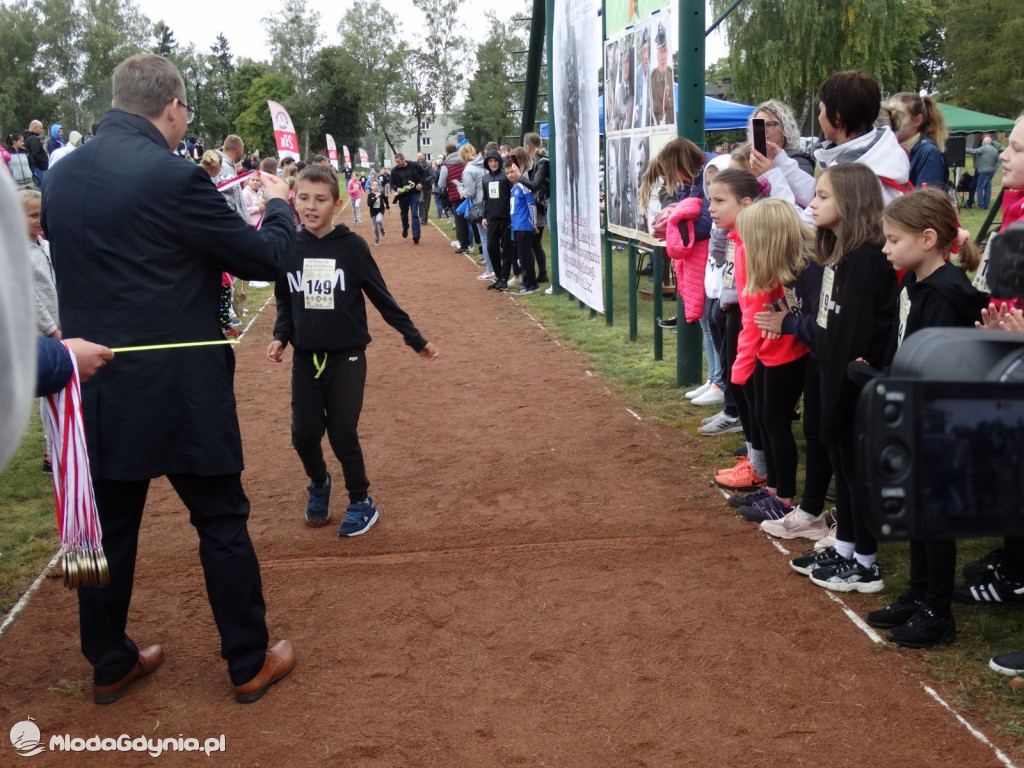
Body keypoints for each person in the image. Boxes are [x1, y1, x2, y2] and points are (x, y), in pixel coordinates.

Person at [41, 53, 296, 705]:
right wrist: (277, 206)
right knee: (220, 518)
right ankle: (247, 660)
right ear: (173, 106)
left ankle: (109, 661)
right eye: (185, 113)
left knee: (109, 529)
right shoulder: (174, 178)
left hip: (94, 386)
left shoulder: (61, 178)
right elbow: (265, 260)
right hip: (182, 390)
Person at [266, 164, 439, 537]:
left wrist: (414, 338)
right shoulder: (290, 247)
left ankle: (361, 501)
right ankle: (319, 482)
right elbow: (285, 299)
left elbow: (382, 297)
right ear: (294, 200)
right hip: (305, 357)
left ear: (338, 203)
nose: (311, 206)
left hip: (347, 356)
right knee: (304, 435)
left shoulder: (351, 247)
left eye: (320, 199)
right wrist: (281, 335)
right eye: (303, 198)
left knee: (343, 433)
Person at [856, 188, 987, 647]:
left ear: (928, 239)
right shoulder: (915, 283)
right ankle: (917, 594)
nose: (886, 248)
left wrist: (878, 379)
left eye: (893, 240)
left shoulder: (947, 295)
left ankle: (938, 611)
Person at [788, 163, 897, 594]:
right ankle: (846, 546)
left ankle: (866, 563)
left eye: (823, 196)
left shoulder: (868, 260)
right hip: (833, 377)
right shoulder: (838, 253)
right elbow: (828, 329)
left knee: (856, 472)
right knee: (843, 469)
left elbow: (856, 338)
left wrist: (836, 400)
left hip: (857, 388)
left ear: (850, 202)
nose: (812, 204)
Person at [727, 197, 812, 523]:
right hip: (770, 353)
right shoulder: (771, 266)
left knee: (775, 424)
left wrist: (740, 368)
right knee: (766, 419)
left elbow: (755, 320)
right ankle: (773, 488)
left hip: (785, 356)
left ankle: (784, 498)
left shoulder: (777, 269)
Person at [765, 71, 909, 225]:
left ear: (837, 118)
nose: (819, 117)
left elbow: (804, 226)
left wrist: (771, 176)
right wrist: (782, 161)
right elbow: (818, 195)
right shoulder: (879, 150)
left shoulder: (850, 172)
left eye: (822, 110)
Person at [888, 92, 949, 190]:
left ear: (917, 121)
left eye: (898, 116)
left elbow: (925, 202)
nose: (891, 122)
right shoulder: (891, 149)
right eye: (889, 115)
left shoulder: (929, 154)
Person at [505, 156, 540, 295]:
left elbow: (531, 205)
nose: (509, 175)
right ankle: (530, 282)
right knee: (522, 256)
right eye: (507, 173)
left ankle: (530, 284)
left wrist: (533, 224)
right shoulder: (513, 189)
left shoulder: (523, 186)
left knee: (525, 257)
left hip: (525, 226)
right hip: (517, 227)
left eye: (512, 172)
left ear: (518, 170)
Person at [481, 148, 513, 291]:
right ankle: (499, 276)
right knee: (491, 247)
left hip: (506, 218)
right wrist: (484, 216)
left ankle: (505, 278)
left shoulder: (505, 177)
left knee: (506, 249)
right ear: (487, 163)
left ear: (499, 162)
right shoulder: (485, 179)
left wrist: (512, 216)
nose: (493, 163)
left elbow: (512, 196)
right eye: (490, 161)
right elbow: (485, 199)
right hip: (492, 218)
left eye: (495, 161)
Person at [390, 153, 425, 244]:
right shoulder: (394, 171)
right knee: (404, 215)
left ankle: (416, 235)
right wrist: (397, 189)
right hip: (402, 196)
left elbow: (423, 174)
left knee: (414, 213)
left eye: (399, 162)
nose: (398, 164)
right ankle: (405, 227)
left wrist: (420, 183)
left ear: (403, 159)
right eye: (396, 162)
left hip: (414, 193)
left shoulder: (414, 166)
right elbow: (392, 183)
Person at [214, 135, 247, 221]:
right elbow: (229, 201)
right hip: (233, 222)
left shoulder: (224, 165)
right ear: (239, 151)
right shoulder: (225, 168)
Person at [966, 135, 1002, 210]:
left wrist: (963, 149)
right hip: (991, 171)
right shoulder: (995, 150)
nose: (982, 143)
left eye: (982, 142)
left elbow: (974, 151)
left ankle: (981, 205)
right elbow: (998, 161)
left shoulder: (983, 148)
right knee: (988, 188)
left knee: (979, 188)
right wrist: (995, 168)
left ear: (985, 142)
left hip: (983, 171)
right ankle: (986, 204)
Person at [649, 24, 674, 126]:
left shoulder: (671, 75)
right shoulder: (652, 78)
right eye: (661, 52)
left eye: (665, 52)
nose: (663, 57)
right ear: (657, 55)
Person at [633, 27, 651, 129]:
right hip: (636, 131)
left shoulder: (654, 75)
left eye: (648, 51)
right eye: (644, 51)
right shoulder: (635, 75)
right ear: (641, 53)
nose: (646, 56)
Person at [24, 120, 48, 185]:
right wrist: (43, 165)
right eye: (40, 128)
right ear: (35, 128)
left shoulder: (26, 138)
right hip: (37, 168)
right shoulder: (33, 139)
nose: (42, 130)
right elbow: (36, 154)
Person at [366, 178, 389, 245]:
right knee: (375, 228)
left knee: (379, 220)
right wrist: (375, 197)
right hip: (373, 213)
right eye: (374, 185)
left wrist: (387, 207)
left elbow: (386, 200)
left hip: (380, 211)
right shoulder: (370, 195)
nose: (375, 186)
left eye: (377, 185)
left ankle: (382, 229)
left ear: (379, 186)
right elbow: (369, 204)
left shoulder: (381, 194)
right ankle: (377, 239)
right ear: (371, 187)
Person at [417, 151, 434, 225]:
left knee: (427, 203)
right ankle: (421, 216)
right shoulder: (416, 165)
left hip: (427, 187)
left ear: (424, 156)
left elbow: (433, 175)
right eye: (418, 156)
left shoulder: (428, 165)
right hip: (420, 187)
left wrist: (424, 180)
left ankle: (425, 218)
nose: (420, 158)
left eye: (421, 156)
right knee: (420, 200)